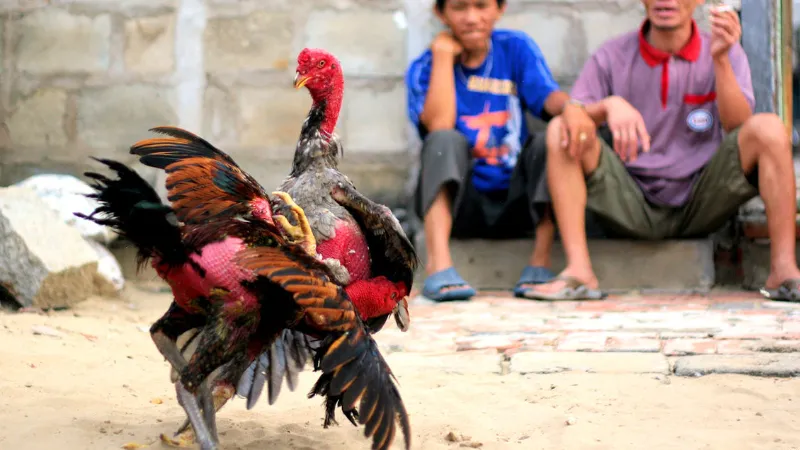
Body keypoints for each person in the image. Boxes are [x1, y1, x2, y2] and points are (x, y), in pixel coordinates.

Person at [526, 1, 800, 301]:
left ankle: (783, 271)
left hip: (702, 197)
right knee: (560, 131)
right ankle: (579, 272)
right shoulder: (612, 55)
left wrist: (720, 59)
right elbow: (572, 113)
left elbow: (737, 124)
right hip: (629, 200)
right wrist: (607, 106)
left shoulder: (724, 49)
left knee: (769, 128)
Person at [405, 0, 595, 301]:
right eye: (459, 8)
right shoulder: (424, 67)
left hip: (518, 200)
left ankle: (540, 262)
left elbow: (546, 99)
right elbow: (439, 125)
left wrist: (572, 108)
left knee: (549, 139)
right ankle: (439, 266)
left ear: (500, 9)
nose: (471, 18)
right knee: (442, 141)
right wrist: (442, 57)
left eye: (482, 6)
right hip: (463, 203)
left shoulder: (514, 48)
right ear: (441, 14)